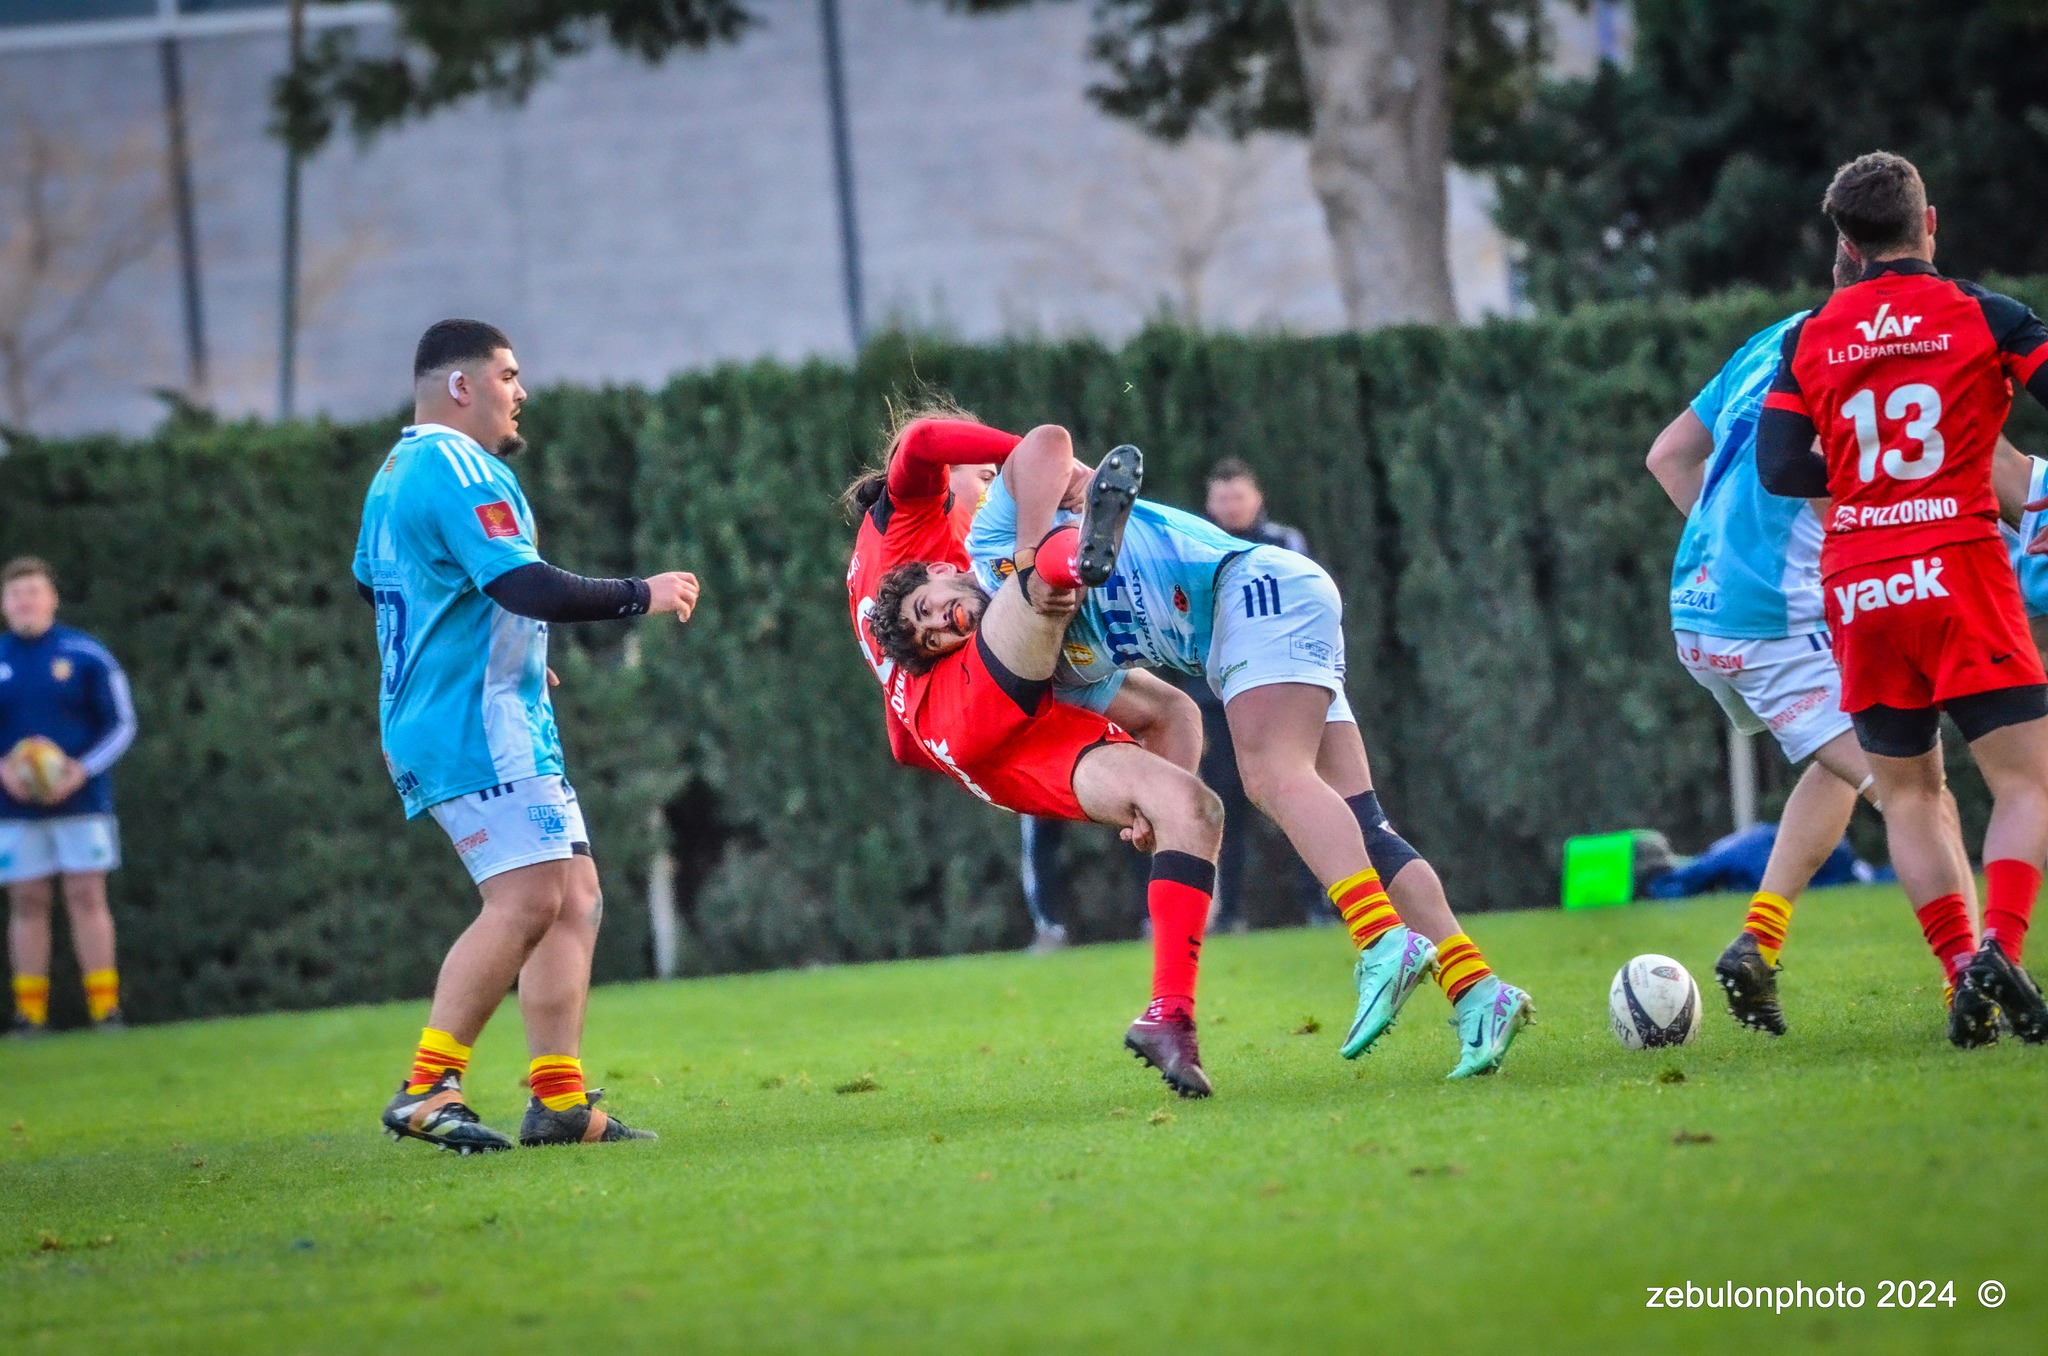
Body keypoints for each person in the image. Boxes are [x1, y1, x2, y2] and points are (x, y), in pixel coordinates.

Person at [883, 435, 1537, 1079]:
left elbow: (1046, 443)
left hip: (1249, 591)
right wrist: (1165, 809)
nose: (940, 623)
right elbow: (1171, 716)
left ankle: (1381, 941)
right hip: (1258, 618)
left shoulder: (988, 546)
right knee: (1363, 825)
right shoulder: (1052, 672)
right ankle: (1479, 992)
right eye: (932, 638)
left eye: (927, 608)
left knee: (1273, 776)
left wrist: (1029, 555)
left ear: (941, 573)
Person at [356, 319, 700, 1151]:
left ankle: (559, 1102)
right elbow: (527, 584)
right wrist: (638, 593)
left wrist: (496, 654)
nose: (522, 392)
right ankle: (427, 1087)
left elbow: (379, 587)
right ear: (462, 387)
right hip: (472, 729)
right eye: (508, 375)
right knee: (528, 899)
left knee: (574, 900)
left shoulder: (396, 470)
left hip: (491, 716)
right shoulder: (451, 463)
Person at [1647, 245, 1979, 1036]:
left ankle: (1758, 940)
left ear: (1839, 263)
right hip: (1771, 624)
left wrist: (1729, 553)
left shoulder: (1771, 339)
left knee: (1841, 759)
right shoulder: (1863, 353)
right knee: (1921, 793)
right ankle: (1971, 980)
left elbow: (1666, 457)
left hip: (1697, 606)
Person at [1758, 151, 2048, 1046]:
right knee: (2026, 780)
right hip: (1958, 568)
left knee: (1912, 792)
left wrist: (1858, 476)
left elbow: (1778, 467)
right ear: (1930, 223)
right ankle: (2000, 943)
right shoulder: (1987, 315)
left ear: (1846, 243)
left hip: (1862, 582)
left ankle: (1961, 969)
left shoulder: (1807, 337)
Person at [850, 416, 1227, 1096]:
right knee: (1037, 588)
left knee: (1191, 794)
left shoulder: (943, 574)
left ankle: (1169, 1015)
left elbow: (902, 738)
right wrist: (1034, 469)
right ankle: (1064, 558)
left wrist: (1157, 821)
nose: (992, 482)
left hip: (1012, 740)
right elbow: (939, 441)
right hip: (967, 703)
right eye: (981, 477)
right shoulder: (912, 529)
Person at [1, 557, 136, 1036]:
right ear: (4, 603)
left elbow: (122, 723)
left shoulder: (86, 654)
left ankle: (105, 1008)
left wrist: (80, 770)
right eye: (16, 594)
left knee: (86, 895)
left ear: (52, 598)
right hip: (13, 805)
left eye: (33, 592)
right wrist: (5, 771)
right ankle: (29, 1014)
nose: (25, 602)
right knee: (28, 900)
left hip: (82, 801)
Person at [1196, 459, 1328, 929]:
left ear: (1257, 497)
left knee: (1296, 794)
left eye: (1239, 496)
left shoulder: (1284, 545)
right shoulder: (1197, 549)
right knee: (1225, 807)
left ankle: (1318, 904)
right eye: (1223, 498)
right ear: (1210, 503)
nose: (1232, 506)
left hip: (1278, 696)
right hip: (1218, 701)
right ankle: (1228, 912)